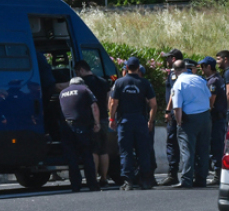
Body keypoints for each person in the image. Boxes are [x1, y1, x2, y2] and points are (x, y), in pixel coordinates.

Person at [109, 56, 157, 190]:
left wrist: (112, 118)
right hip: (140, 121)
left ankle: (128, 181)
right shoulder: (145, 83)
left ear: (126, 68)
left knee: (126, 152)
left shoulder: (119, 83)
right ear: (138, 68)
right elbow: (153, 104)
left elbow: (113, 103)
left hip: (125, 121)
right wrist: (150, 121)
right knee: (143, 151)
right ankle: (145, 180)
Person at [171, 59, 212, 188]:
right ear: (185, 68)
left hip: (189, 119)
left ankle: (186, 180)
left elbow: (177, 108)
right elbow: (209, 97)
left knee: (187, 149)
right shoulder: (199, 79)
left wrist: (178, 122)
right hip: (205, 117)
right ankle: (201, 179)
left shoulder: (178, 84)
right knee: (203, 149)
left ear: (175, 71)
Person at [58, 76, 100, 192]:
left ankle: (75, 185)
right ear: (82, 83)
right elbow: (94, 107)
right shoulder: (85, 90)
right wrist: (97, 123)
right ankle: (92, 184)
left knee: (72, 158)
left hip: (67, 127)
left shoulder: (62, 93)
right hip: (82, 126)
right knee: (87, 155)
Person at [74, 60, 110, 185]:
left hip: (91, 120)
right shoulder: (103, 81)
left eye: (77, 73)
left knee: (93, 151)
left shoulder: (83, 85)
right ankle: (104, 178)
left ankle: (93, 177)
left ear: (81, 70)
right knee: (104, 150)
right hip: (104, 118)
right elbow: (108, 100)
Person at [199, 56, 228, 185]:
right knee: (218, 146)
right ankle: (217, 174)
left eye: (202, 67)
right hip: (220, 118)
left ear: (208, 67)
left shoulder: (212, 82)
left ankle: (217, 176)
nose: (201, 70)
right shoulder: (219, 79)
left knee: (216, 146)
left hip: (216, 119)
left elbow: (211, 102)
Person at [158, 49, 184, 186]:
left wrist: (168, 110)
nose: (166, 61)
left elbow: (174, 93)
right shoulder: (186, 72)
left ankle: (173, 174)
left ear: (173, 59)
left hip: (175, 113)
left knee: (172, 142)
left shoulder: (174, 74)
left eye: (168, 58)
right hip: (182, 112)